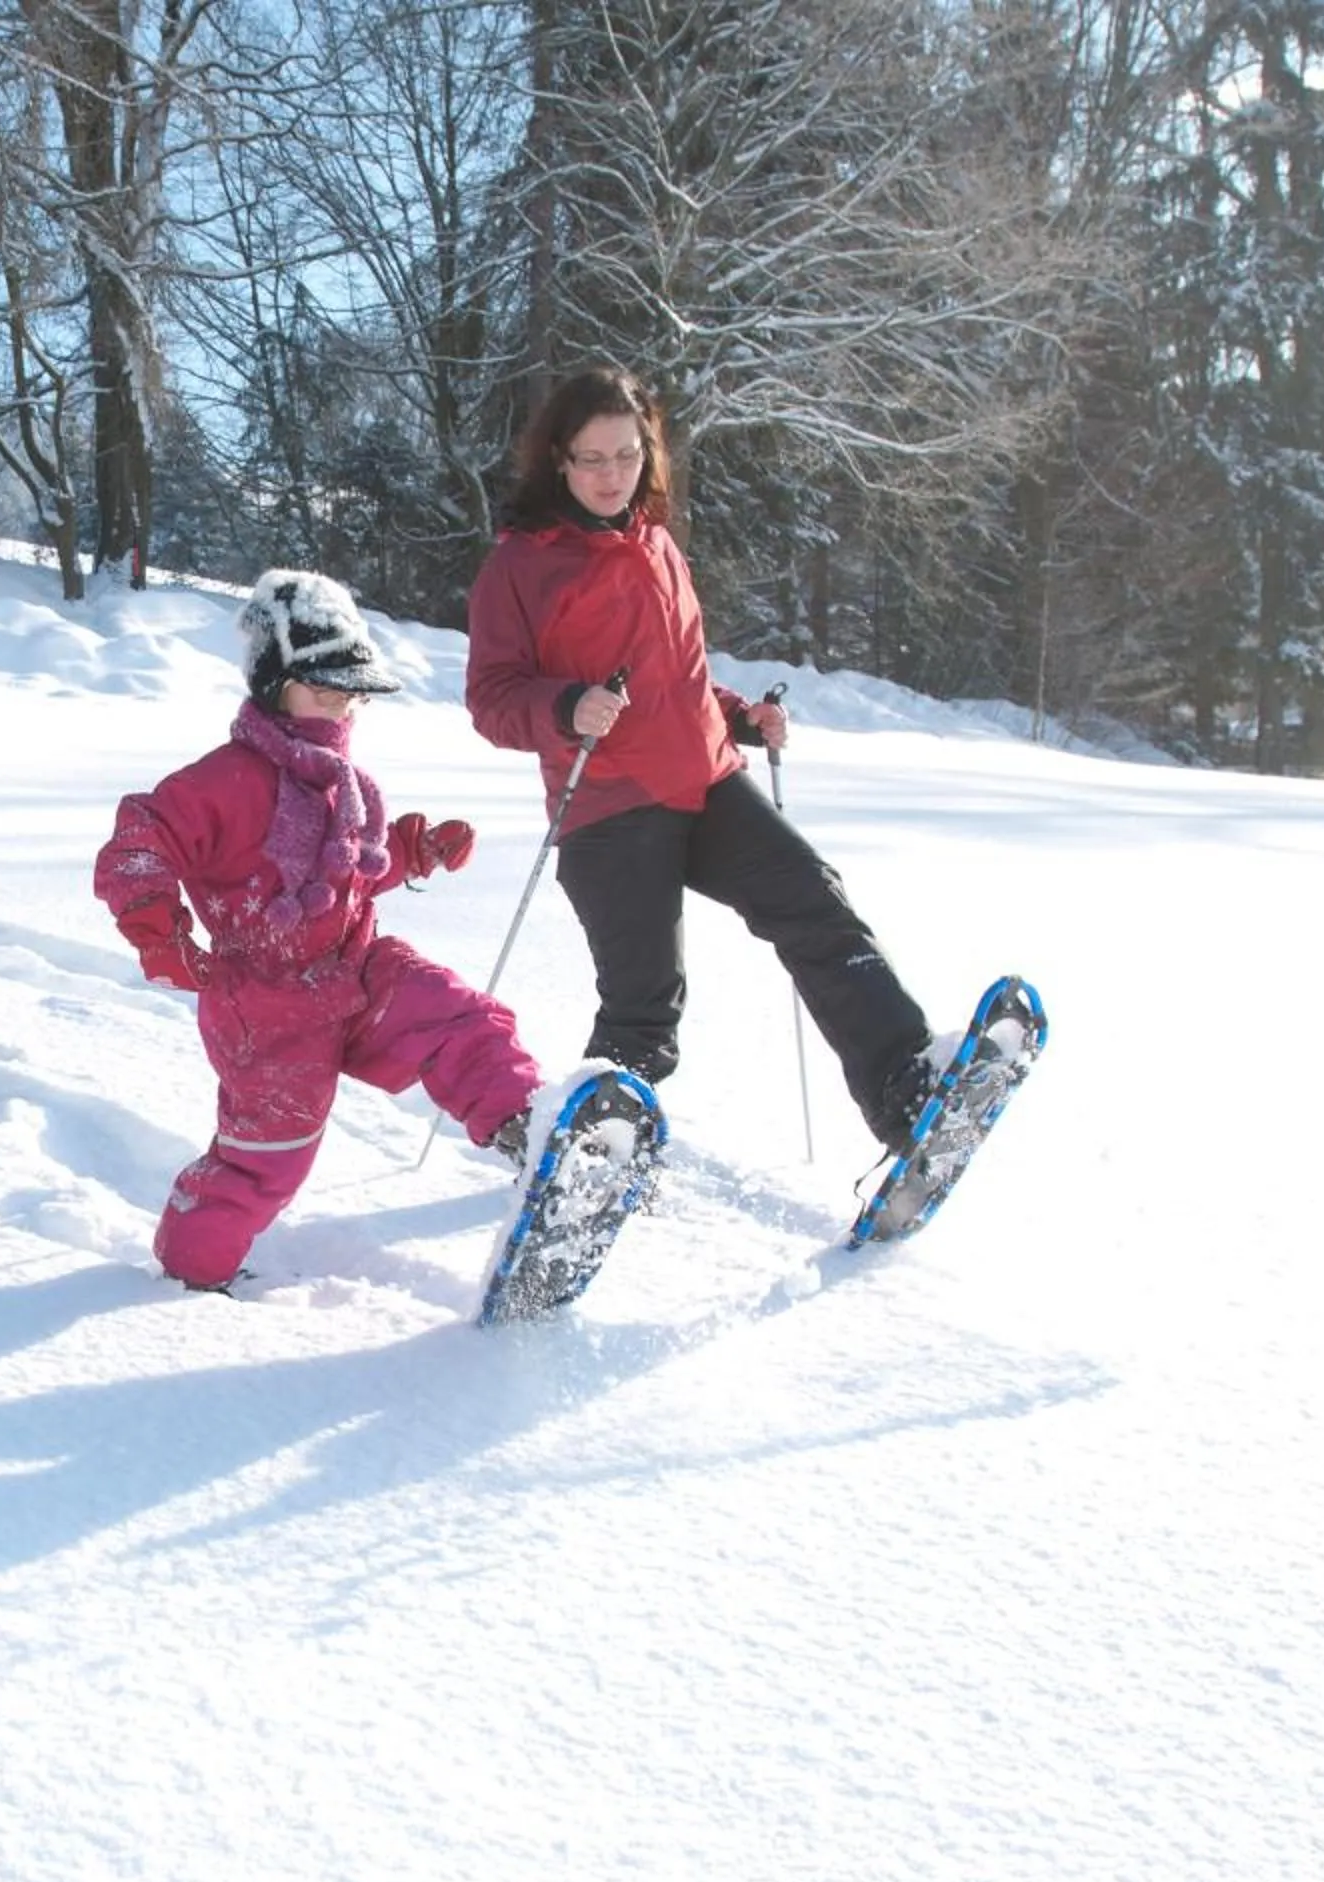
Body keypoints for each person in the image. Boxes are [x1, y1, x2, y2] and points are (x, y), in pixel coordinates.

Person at [464, 363, 939, 1153]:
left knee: (816, 906)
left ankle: (909, 1094)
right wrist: (563, 706)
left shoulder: (656, 545)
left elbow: (671, 673)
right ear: (559, 460)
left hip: (709, 783)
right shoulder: (520, 566)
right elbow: (491, 699)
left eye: (627, 455)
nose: (612, 475)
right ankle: (589, 1164)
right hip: (610, 806)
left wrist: (740, 718)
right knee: (645, 1010)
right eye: (592, 458)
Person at [92, 570, 547, 1294]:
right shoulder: (229, 780)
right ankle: (189, 1273)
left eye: (349, 692)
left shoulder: (344, 783)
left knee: (454, 1016)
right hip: (267, 1008)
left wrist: (416, 850)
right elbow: (140, 841)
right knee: (266, 1164)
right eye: (321, 688)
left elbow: (348, 871)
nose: (338, 704)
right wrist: (160, 932)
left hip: (355, 969)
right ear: (274, 684)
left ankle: (538, 1133)